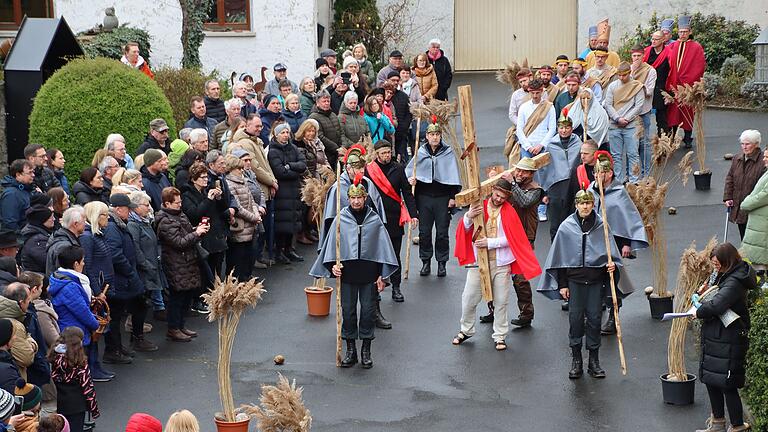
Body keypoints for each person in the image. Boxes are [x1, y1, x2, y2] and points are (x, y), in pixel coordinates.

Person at [309, 178, 398, 369]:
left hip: (369, 275)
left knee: (367, 312)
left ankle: (366, 350)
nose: (356, 201)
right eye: (352, 198)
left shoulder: (374, 220)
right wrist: (333, 265)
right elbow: (331, 246)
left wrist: (382, 275)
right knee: (348, 312)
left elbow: (383, 249)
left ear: (365, 198)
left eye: (360, 197)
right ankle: (350, 350)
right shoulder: (341, 219)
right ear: (348, 198)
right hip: (347, 275)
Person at [538, 189, 621, 379]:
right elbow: (559, 259)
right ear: (576, 205)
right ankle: (576, 360)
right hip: (575, 283)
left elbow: (612, 255)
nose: (585, 207)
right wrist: (563, 285)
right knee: (575, 320)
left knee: (594, 320)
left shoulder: (601, 226)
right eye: (581, 203)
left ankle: (594, 361)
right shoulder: (566, 227)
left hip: (595, 282)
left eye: (588, 203)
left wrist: (611, 266)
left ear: (593, 205)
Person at [453, 179, 541, 350]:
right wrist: (468, 216)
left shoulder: (510, 212)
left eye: (503, 197)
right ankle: (466, 330)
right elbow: (464, 228)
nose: (499, 199)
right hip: (479, 263)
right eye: (497, 195)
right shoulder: (480, 206)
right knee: (469, 298)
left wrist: (490, 243)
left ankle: (500, 336)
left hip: (501, 264)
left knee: (501, 301)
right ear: (492, 190)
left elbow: (513, 238)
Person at [692, 243, 753, 432]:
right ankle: (717, 422)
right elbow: (711, 295)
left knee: (727, 384)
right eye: (713, 264)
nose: (714, 267)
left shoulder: (735, 281)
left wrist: (698, 311)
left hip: (729, 338)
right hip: (716, 335)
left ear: (728, 261)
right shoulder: (723, 274)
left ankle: (737, 425)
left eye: (717, 264)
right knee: (711, 379)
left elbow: (717, 305)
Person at [588, 152, 648, 334]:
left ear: (610, 174)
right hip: (594, 244)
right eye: (596, 172)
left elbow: (627, 218)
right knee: (593, 280)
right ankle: (595, 316)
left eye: (603, 172)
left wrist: (627, 244)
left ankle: (613, 317)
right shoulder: (590, 192)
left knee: (612, 280)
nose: (599, 176)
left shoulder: (619, 192)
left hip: (614, 244)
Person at [406, 120, 462, 278]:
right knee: (424, 232)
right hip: (424, 198)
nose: (435, 137)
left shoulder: (447, 152)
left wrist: (452, 197)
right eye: (432, 135)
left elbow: (453, 175)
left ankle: (442, 262)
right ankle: (425, 261)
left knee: (442, 233)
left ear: (440, 136)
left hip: (442, 198)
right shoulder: (421, 152)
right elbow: (410, 172)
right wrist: (413, 180)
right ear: (427, 136)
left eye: (437, 134)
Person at [365, 140, 417, 302]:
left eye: (388, 152)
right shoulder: (369, 170)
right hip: (375, 219)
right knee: (376, 255)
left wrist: (413, 214)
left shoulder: (398, 168)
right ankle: (376, 287)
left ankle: (396, 287)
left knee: (394, 255)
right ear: (376, 154)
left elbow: (407, 193)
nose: (387, 155)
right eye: (383, 153)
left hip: (394, 218)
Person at [103, 194, 153, 362]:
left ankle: (118, 347)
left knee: (120, 313)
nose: (130, 211)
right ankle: (113, 350)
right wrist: (130, 272)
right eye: (127, 208)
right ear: (118, 209)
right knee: (115, 316)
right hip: (120, 279)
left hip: (124, 277)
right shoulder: (112, 227)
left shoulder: (118, 224)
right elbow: (116, 255)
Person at [156, 187, 208, 343]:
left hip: (186, 262)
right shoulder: (165, 220)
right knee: (177, 297)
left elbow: (185, 235)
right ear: (167, 203)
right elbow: (178, 242)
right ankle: (173, 328)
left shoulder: (179, 214)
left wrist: (197, 230)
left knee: (186, 296)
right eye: (177, 202)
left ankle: (180, 326)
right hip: (175, 263)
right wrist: (196, 233)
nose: (180, 204)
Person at [516, 78, 556, 221]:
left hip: (542, 146)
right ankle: (524, 205)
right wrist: (528, 146)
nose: (535, 96)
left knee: (543, 178)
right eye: (532, 93)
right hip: (528, 146)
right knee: (524, 177)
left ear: (542, 91)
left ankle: (541, 208)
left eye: (538, 93)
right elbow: (519, 129)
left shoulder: (549, 107)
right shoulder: (524, 107)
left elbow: (552, 129)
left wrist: (541, 145)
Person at [538, 114, 582, 240]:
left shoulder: (578, 143)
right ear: (557, 128)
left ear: (572, 128)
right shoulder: (550, 145)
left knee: (574, 219)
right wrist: (544, 192)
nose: (564, 130)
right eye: (561, 127)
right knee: (556, 222)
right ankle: (555, 251)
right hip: (556, 186)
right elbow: (544, 169)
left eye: (567, 127)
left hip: (574, 185)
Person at [268, 123, 307, 264]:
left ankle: (289, 250)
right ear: (276, 135)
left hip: (294, 189)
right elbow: (280, 172)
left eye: (287, 132)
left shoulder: (293, 148)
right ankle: (279, 251)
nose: (286, 135)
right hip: (282, 191)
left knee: (293, 221)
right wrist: (293, 171)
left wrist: (290, 166)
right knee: (282, 224)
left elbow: (303, 165)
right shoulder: (273, 151)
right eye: (283, 132)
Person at [666, 15, 707, 149]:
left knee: (688, 112)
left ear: (690, 32)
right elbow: (669, 65)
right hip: (674, 86)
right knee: (673, 113)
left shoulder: (696, 47)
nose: (683, 34)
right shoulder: (673, 46)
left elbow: (699, 66)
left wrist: (688, 82)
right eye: (680, 32)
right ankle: (671, 138)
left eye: (685, 32)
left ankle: (688, 138)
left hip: (687, 86)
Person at [48, 327, 99, 432]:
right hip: (76, 405)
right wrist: (94, 409)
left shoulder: (53, 357)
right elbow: (87, 387)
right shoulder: (79, 362)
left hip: (58, 402)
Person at [126, 192, 166, 322]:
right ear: (136, 207)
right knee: (140, 301)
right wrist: (146, 264)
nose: (149, 208)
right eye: (146, 205)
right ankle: (135, 327)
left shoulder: (144, 221)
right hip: (144, 268)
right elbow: (135, 247)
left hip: (151, 264)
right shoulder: (133, 225)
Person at [604, 62, 645, 184]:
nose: (621, 78)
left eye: (624, 75)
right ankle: (619, 181)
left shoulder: (637, 86)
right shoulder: (612, 86)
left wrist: (626, 118)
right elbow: (608, 104)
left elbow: (639, 105)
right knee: (616, 156)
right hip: (614, 125)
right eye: (619, 75)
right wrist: (617, 118)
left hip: (631, 125)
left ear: (629, 73)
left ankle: (634, 181)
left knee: (633, 154)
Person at [224, 155, 261, 279]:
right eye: (239, 169)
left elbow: (251, 200)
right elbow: (238, 208)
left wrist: (256, 213)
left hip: (250, 226)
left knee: (248, 258)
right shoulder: (229, 184)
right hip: (240, 228)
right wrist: (254, 217)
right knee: (238, 260)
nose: (242, 171)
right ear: (231, 169)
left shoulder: (243, 181)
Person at [724, 130, 765, 240]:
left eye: (748, 144)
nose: (744, 147)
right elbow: (730, 178)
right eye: (742, 143)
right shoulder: (737, 158)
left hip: (755, 208)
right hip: (739, 206)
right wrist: (727, 197)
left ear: (756, 144)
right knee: (744, 237)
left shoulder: (763, 161)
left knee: (754, 239)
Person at [740, 147, 768, 284]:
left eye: (767, 157)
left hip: (763, 225)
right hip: (760, 223)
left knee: (759, 263)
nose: (764, 159)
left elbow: (763, 196)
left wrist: (746, 203)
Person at [0, 283, 37, 381]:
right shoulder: (15, 326)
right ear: (21, 302)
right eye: (28, 300)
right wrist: (30, 341)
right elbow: (26, 358)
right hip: (12, 379)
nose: (30, 303)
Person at [630, 44, 657, 177]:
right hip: (629, 112)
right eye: (634, 56)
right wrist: (631, 73)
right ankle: (632, 174)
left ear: (643, 56)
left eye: (638, 56)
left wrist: (635, 83)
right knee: (632, 144)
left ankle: (645, 173)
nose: (636, 59)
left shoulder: (650, 71)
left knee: (644, 143)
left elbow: (649, 91)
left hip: (644, 111)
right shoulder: (628, 70)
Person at [644, 30, 672, 136]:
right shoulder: (647, 52)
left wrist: (670, 93)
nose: (653, 41)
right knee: (643, 116)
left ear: (663, 40)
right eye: (652, 39)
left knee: (662, 118)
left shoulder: (669, 53)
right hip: (648, 87)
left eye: (656, 39)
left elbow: (672, 72)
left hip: (662, 88)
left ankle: (663, 142)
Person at [45, 206, 86, 278]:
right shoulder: (64, 247)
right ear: (75, 224)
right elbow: (63, 275)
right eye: (83, 221)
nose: (85, 224)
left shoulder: (66, 239)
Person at [308, 89, 342, 168]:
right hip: (325, 154)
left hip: (337, 153)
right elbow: (320, 136)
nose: (326, 103)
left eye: (328, 101)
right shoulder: (313, 117)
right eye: (324, 101)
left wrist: (341, 146)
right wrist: (336, 148)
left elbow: (340, 132)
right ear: (317, 103)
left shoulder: (333, 115)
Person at [384, 72, 413, 162]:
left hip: (401, 134)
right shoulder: (382, 95)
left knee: (401, 160)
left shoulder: (403, 96)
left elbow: (409, 114)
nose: (395, 82)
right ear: (387, 80)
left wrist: (403, 128)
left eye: (397, 80)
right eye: (393, 80)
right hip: (386, 135)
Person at [0, 160, 36, 231]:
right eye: (30, 172)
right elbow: (10, 223)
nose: (33, 175)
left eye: (33, 172)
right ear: (18, 175)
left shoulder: (27, 189)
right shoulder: (11, 195)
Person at [19, 206, 54, 273]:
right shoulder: (36, 240)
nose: (54, 219)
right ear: (42, 220)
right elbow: (47, 261)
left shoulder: (42, 233)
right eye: (51, 217)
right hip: (37, 276)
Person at [0, 319, 20, 394]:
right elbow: (14, 396)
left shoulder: (6, 359)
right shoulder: (6, 370)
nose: (15, 337)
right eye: (13, 334)